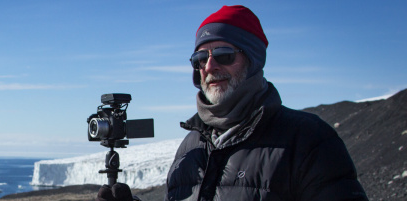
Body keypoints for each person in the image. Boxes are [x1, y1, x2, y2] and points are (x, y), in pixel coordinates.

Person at [97, 5, 368, 201]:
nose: (210, 66)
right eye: (200, 58)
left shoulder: (308, 140)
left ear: (253, 60)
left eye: (224, 54)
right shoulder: (190, 145)